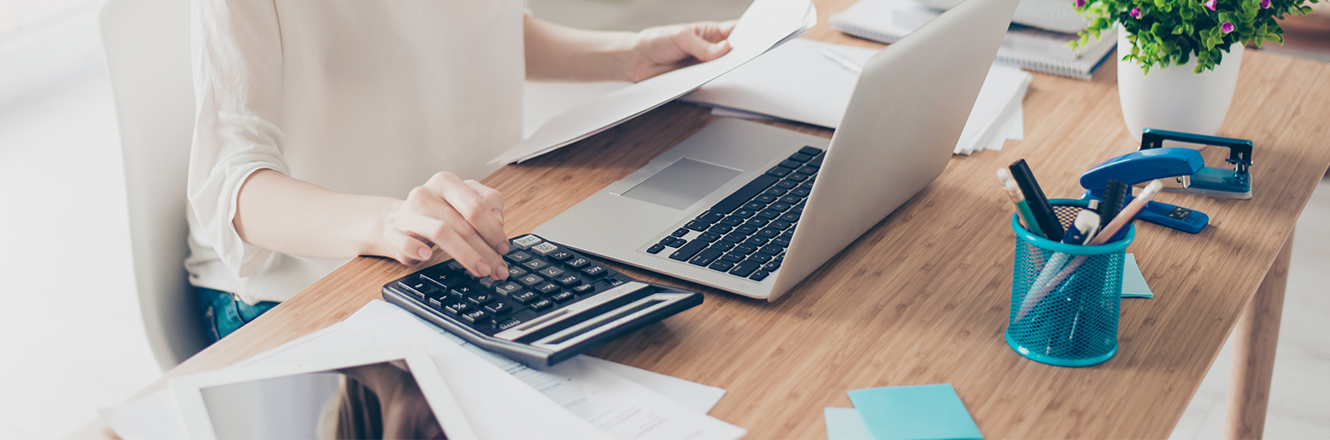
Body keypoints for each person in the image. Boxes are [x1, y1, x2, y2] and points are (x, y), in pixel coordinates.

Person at [188, 0, 736, 342]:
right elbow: (233, 188)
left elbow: (482, 28)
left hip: (473, 254)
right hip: (303, 294)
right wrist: (392, 223)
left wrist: (630, 55)